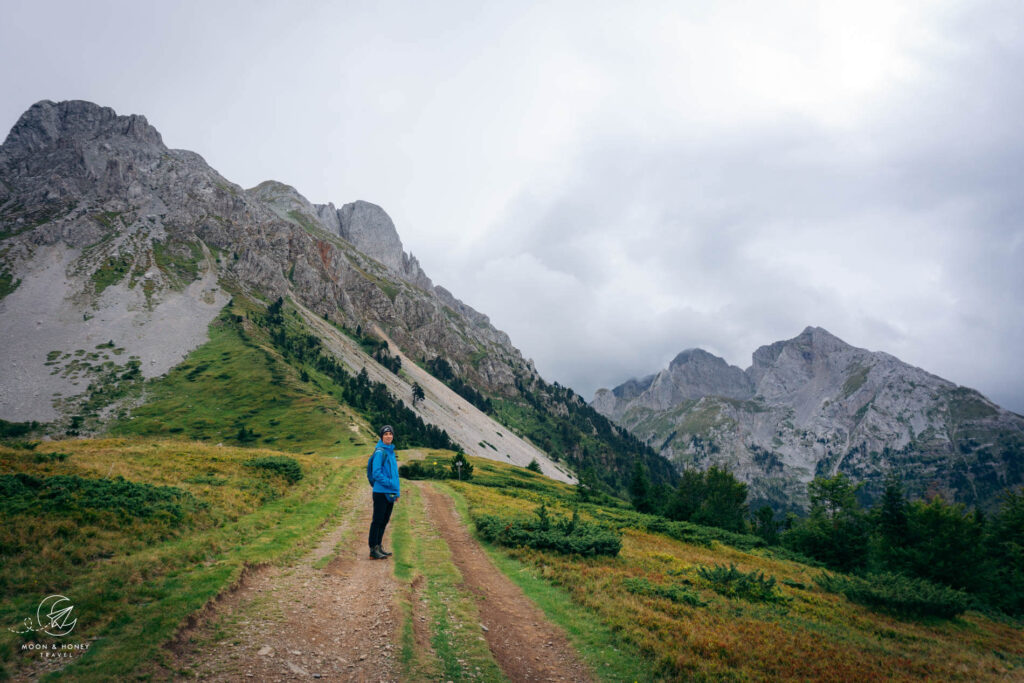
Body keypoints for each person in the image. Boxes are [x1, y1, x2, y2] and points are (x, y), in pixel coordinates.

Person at [368, 424, 400, 559]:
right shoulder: (380, 452)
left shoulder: (390, 452)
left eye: (390, 434)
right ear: (382, 437)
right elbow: (376, 473)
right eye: (386, 434)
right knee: (377, 520)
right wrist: (390, 484)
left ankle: (379, 546)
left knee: (384, 520)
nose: (388, 436)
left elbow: (395, 474)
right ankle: (373, 549)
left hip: (390, 493)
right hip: (380, 492)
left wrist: (396, 491)